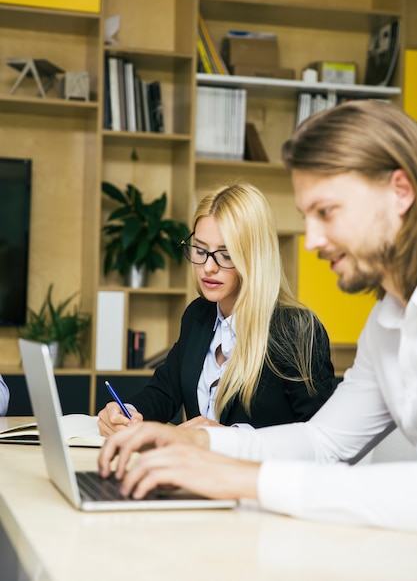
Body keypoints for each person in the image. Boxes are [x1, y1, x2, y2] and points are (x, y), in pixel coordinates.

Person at [98, 99, 417, 533]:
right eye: (307, 218)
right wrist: (197, 440)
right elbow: (323, 441)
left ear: (400, 192)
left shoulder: (299, 329)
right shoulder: (387, 322)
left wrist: (237, 476)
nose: (311, 242)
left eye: (327, 211)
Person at [98, 183, 336, 435]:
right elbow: (165, 391)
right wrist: (128, 411)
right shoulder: (198, 315)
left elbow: (321, 438)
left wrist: (228, 437)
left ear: (253, 256)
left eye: (226, 254)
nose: (208, 267)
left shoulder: (296, 330)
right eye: (200, 250)